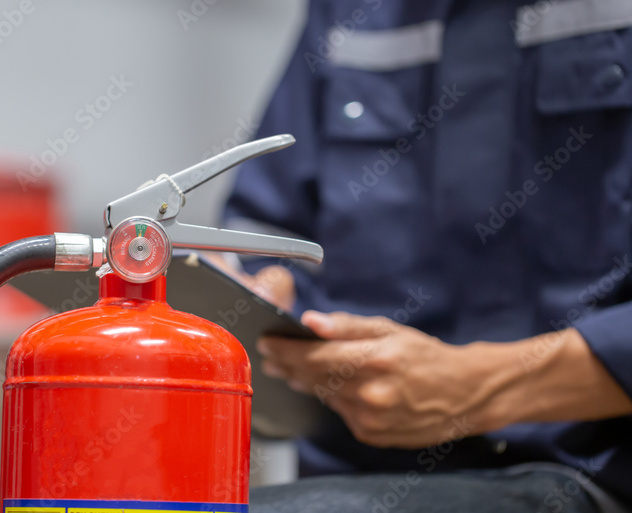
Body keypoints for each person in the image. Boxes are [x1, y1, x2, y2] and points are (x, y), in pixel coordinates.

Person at [226, 1, 632, 511]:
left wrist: (485, 387)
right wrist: (263, 287)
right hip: (357, 471)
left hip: (598, 474)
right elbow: (267, 225)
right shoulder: (347, 13)